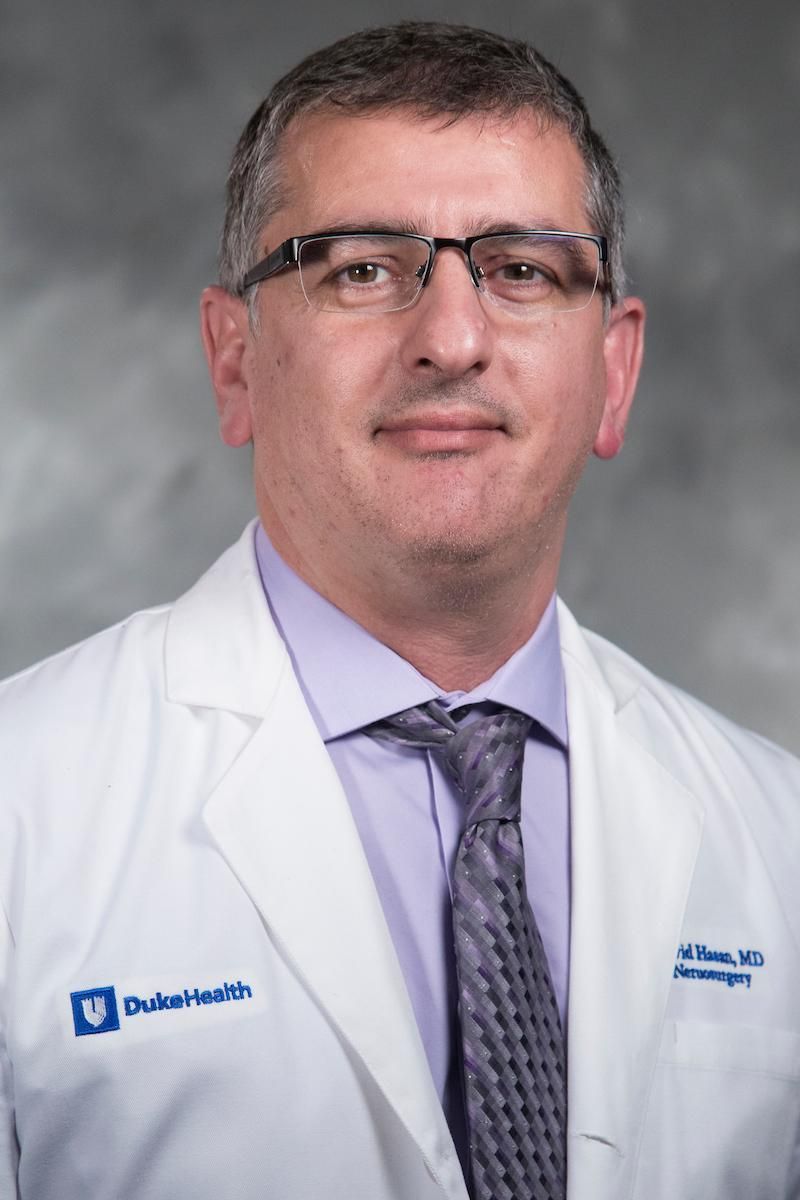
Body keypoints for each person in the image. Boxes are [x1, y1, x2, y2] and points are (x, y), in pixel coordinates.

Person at [0, 20, 798, 1200]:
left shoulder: (776, 840)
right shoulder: (21, 813)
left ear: (613, 373)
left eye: (521, 270)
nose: (451, 340)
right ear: (234, 360)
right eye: (362, 269)